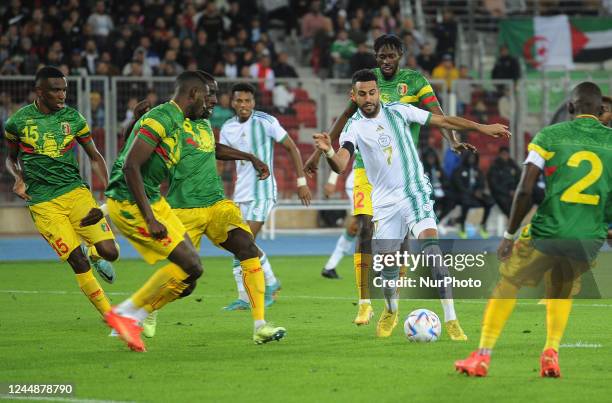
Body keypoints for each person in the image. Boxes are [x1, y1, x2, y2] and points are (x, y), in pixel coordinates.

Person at [313, 69, 510, 339]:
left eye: (372, 92)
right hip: (383, 204)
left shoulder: (399, 111)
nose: (368, 98)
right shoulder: (353, 128)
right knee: (387, 268)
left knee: (432, 250)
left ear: (378, 92)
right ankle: (391, 310)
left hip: (414, 193)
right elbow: (341, 162)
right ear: (353, 96)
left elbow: (443, 119)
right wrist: (328, 151)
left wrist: (481, 128)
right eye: (362, 94)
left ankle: (452, 320)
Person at [304, 34, 474, 335]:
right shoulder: (366, 86)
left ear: (400, 56)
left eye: (391, 55)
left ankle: (444, 316)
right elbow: (345, 118)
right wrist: (322, 153)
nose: (386, 60)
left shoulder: (414, 82)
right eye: (381, 55)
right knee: (363, 227)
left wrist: (454, 141)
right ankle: (366, 301)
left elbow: (439, 117)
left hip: (403, 171)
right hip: (364, 169)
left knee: (413, 247)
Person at [455, 82, 611, 378]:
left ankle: (482, 355)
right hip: (587, 239)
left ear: (569, 108)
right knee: (560, 292)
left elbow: (525, 189)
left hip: (548, 231)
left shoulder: (549, 136)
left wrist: (509, 235)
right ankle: (551, 353)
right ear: (601, 110)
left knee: (508, 283)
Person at [126, 72, 287, 343]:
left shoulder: (203, 122)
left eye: (215, 94)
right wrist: (135, 122)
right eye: (209, 94)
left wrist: (249, 157)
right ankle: (147, 310)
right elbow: (133, 156)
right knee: (187, 280)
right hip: (183, 209)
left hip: (216, 205)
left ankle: (260, 326)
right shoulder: (168, 121)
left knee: (249, 249)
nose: (215, 100)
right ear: (193, 95)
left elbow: (213, 148)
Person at [103, 72, 209, 352]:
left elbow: (131, 147)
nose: (210, 104)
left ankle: (130, 321)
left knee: (189, 278)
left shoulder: (176, 120)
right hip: (131, 204)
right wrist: (149, 217)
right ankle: (125, 314)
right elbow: (130, 166)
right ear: (195, 94)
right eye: (208, 96)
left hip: (153, 199)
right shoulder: (163, 117)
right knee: (192, 266)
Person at [4, 66, 119, 319]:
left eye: (64, 89)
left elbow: (95, 156)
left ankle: (95, 252)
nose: (62, 95)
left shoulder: (74, 119)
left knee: (111, 252)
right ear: (39, 91)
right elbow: (11, 159)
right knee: (77, 261)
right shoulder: (17, 122)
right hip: (44, 202)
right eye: (56, 90)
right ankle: (112, 317)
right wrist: (18, 178)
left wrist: (109, 191)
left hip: (76, 193)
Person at [220, 83, 312, 311]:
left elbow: (292, 147)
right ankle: (247, 295)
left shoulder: (266, 121)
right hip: (240, 194)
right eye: (239, 101)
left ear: (253, 102)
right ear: (232, 103)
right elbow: (220, 158)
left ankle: (269, 285)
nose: (243, 105)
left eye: (247, 101)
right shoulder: (227, 127)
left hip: (262, 192)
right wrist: (219, 191)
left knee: (244, 242)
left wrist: (301, 183)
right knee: (238, 246)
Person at [321, 169, 358, 279]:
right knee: (358, 225)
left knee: (357, 227)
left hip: (380, 184)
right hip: (360, 183)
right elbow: (343, 154)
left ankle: (330, 267)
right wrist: (332, 180)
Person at [452, 152, 495, 239]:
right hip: (463, 194)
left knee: (490, 201)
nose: (472, 159)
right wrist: (471, 192)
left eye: (474, 158)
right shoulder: (459, 170)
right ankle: (462, 225)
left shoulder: (478, 170)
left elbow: (482, 183)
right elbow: (458, 184)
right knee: (466, 202)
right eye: (470, 157)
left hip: (476, 194)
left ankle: (483, 224)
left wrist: (479, 191)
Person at [488, 146, 521, 217]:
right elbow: (494, 184)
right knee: (506, 204)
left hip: (514, 192)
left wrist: (515, 190)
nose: (505, 156)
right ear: (500, 155)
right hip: (500, 193)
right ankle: (512, 222)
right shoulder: (494, 167)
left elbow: (520, 178)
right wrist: (508, 192)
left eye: (507, 154)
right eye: (503, 154)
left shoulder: (513, 165)